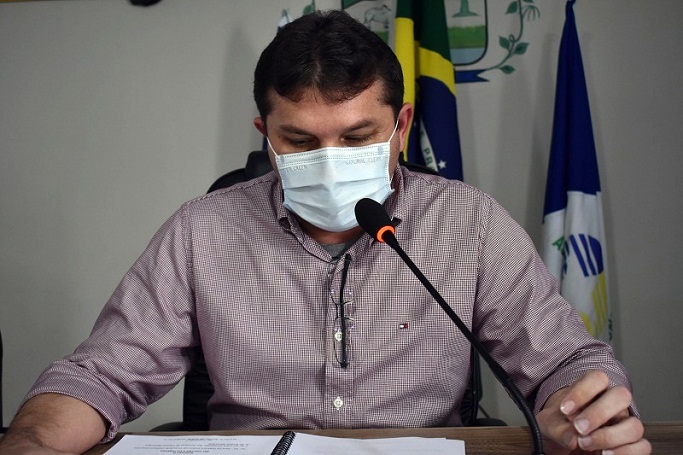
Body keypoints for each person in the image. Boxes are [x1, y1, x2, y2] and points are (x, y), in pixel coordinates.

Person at [0, 10, 649, 455]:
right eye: (301, 141)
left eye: (358, 137)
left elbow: (563, 361)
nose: (332, 161)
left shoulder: (470, 222)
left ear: (401, 127)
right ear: (265, 135)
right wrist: (33, 439)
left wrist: (586, 412)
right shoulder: (201, 230)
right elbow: (100, 374)